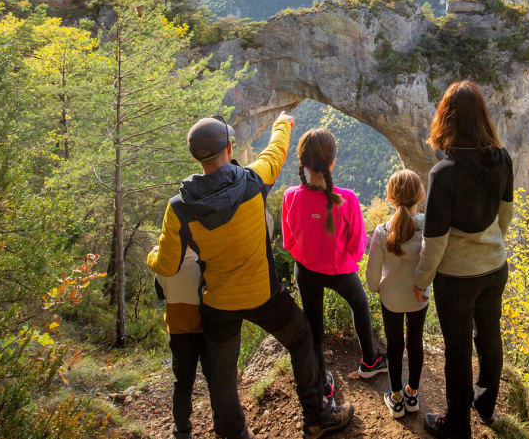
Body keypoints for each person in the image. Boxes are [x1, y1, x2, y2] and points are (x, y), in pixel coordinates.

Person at [147, 112, 354, 439]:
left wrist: (151, 257)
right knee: (301, 338)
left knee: (222, 378)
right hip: (264, 296)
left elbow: (168, 265)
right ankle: (317, 417)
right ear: (230, 147)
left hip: (218, 303)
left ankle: (234, 434)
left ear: (195, 157)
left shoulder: (179, 208)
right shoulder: (254, 181)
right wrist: (282, 123)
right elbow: (276, 150)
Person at [415, 82, 514, 438]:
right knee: (489, 335)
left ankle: (457, 425)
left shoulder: (444, 174)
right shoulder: (503, 158)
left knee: (457, 350)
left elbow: (436, 241)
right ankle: (485, 405)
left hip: (457, 278)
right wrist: (489, 244)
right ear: (483, 118)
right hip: (494, 267)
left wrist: (421, 281)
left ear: (446, 120)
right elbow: (505, 218)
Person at [281, 128, 388, 402]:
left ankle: (322, 383)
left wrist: (306, 258)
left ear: (303, 163)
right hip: (339, 270)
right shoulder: (347, 199)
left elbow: (289, 240)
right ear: (333, 162)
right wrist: (345, 262)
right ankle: (370, 361)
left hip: (305, 270)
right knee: (360, 305)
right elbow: (357, 245)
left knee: (314, 326)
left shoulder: (291, 196)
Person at [365, 169, 429, 419]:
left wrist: (379, 287)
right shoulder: (427, 227)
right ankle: (412, 393)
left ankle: (395, 398)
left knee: (394, 344)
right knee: (415, 342)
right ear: (420, 195)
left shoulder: (382, 231)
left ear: (391, 199)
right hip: (418, 298)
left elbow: (371, 277)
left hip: (390, 299)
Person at [150, 246, 211, 439]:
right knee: (216, 382)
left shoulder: (163, 259)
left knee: (183, 384)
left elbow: (160, 294)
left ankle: (181, 431)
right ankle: (223, 426)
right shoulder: (206, 255)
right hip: (208, 327)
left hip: (178, 329)